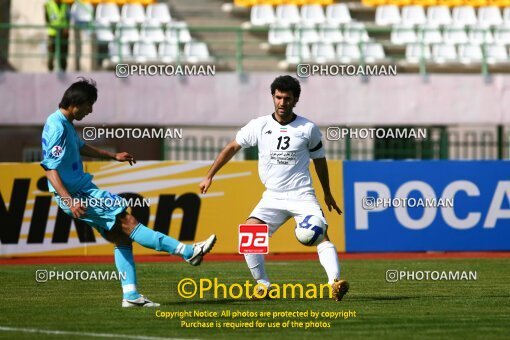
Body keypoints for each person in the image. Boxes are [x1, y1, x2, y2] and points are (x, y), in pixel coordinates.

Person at [41, 78, 216, 307]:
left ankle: (131, 296)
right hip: (78, 195)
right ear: (77, 102)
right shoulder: (56, 127)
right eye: (89, 105)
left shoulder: (64, 123)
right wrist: (70, 200)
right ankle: (188, 251)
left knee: (121, 237)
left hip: (83, 190)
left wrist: (112, 156)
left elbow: (81, 147)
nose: (90, 110)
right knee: (129, 221)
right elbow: (49, 168)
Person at [199, 75, 349, 301]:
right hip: (273, 197)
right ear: (273, 97)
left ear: (295, 100)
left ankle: (334, 283)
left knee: (320, 235)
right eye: (278, 97)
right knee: (249, 233)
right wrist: (210, 175)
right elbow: (232, 147)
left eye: (287, 98)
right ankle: (263, 285)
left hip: (302, 195)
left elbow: (319, 161)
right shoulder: (259, 125)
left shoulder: (308, 128)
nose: (281, 102)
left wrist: (327, 192)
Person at [45, 0, 70, 72]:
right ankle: (50, 70)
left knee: (63, 53)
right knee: (51, 53)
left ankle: (63, 70)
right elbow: (47, 19)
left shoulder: (65, 5)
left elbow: (68, 18)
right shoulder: (48, 5)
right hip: (52, 33)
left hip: (63, 33)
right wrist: (52, 27)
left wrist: (67, 28)